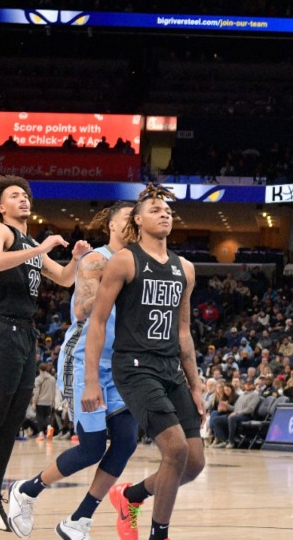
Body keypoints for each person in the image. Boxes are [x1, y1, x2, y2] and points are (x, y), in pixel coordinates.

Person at [0, 176, 90, 534]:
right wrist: (39, 248)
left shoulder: (32, 242)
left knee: (13, 416)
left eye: (26, 195)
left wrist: (76, 260)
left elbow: (63, 279)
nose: (23, 199)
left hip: (24, 332)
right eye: (15, 195)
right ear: (1, 206)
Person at [6, 202, 141, 540]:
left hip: (123, 364)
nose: (134, 224)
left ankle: (79, 519)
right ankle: (27, 490)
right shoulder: (97, 259)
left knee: (126, 440)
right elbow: (82, 310)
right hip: (86, 359)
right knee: (92, 448)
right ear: (111, 225)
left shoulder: (142, 264)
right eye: (127, 218)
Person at [80, 185, 205, 540]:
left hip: (170, 369)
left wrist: (195, 386)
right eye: (154, 209)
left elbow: (183, 332)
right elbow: (99, 322)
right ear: (137, 219)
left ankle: (131, 496)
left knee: (194, 463)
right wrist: (91, 379)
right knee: (176, 449)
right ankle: (159, 534)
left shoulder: (186, 269)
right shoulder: (124, 260)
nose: (164, 213)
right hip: (134, 367)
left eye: (166, 209)